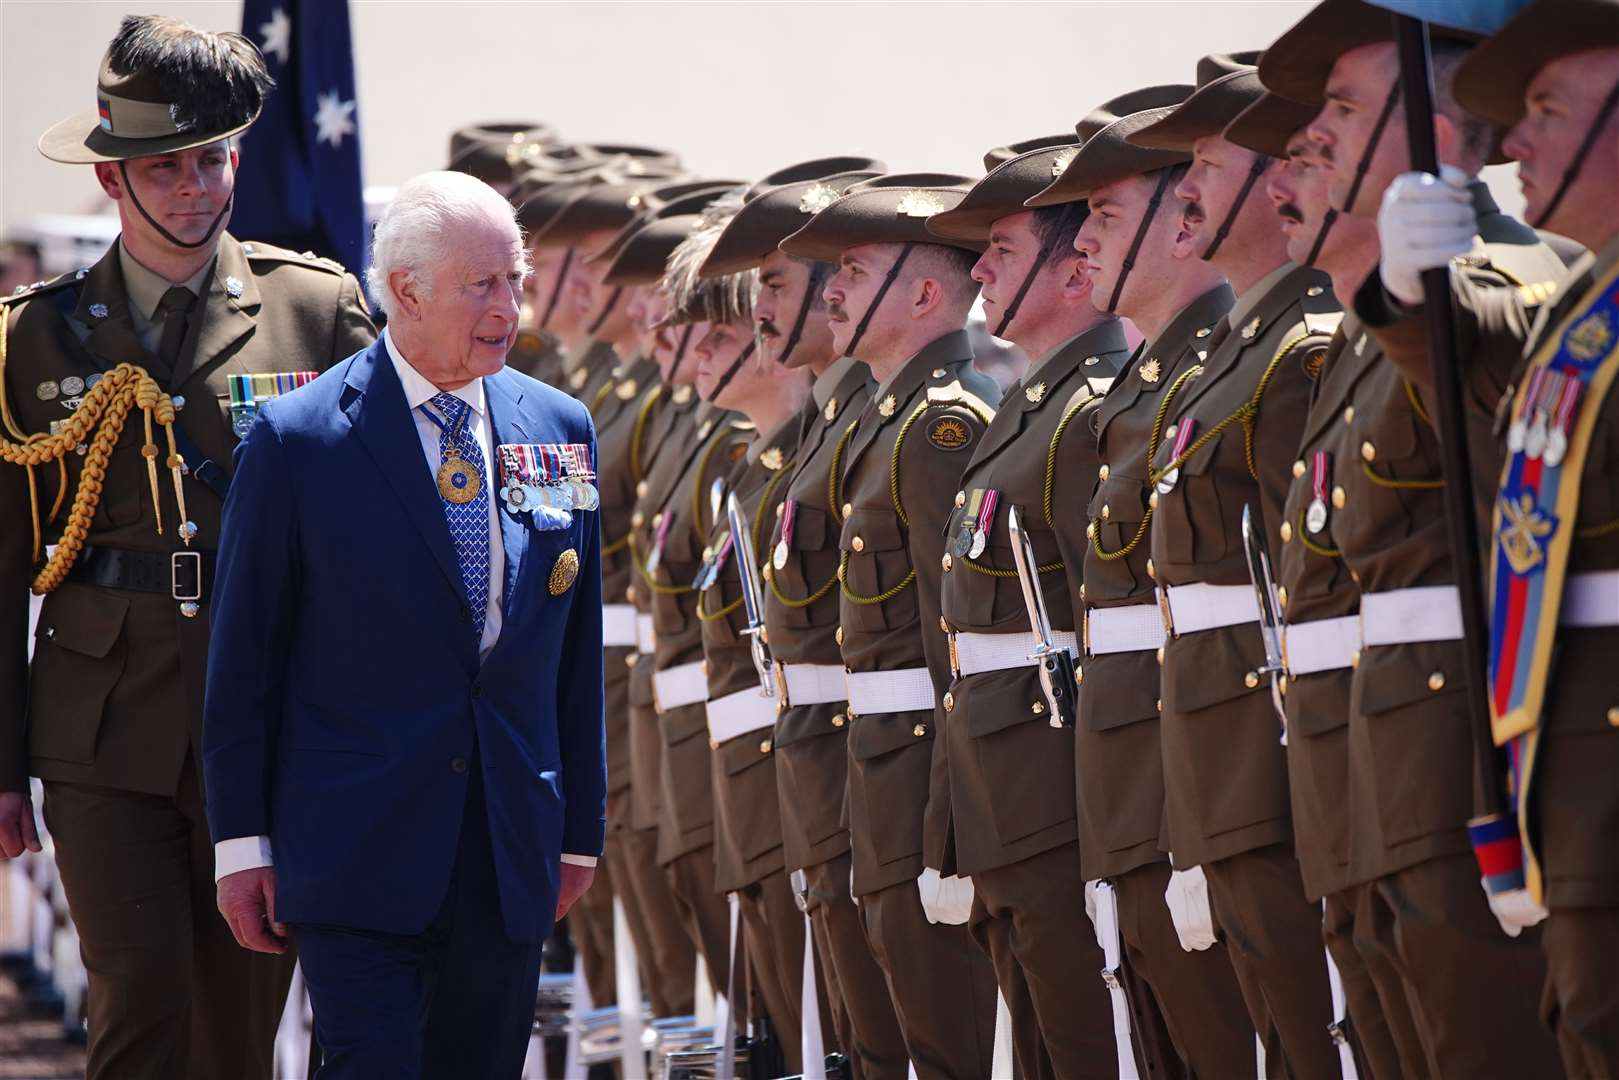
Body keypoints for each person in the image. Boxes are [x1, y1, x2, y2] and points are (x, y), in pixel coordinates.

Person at [0, 16, 374, 1078]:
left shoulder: (317, 310)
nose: (194, 188)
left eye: (211, 160)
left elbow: (369, 541)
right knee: (139, 1001)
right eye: (164, 168)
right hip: (100, 724)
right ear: (115, 179)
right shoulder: (30, 338)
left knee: (236, 1028)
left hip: (266, 730)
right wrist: (0, 764)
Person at [201, 171, 605, 1078]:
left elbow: (572, 655)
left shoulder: (560, 424)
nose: (508, 306)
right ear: (408, 289)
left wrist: (578, 830)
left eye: (515, 280)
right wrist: (242, 845)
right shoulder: (296, 438)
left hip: (507, 850)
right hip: (353, 851)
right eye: (482, 285)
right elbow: (245, 666)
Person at [1260, 1, 1569, 1073]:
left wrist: (1407, 288)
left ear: (1437, 132)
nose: (1321, 138)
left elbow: (1491, 367)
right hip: (1374, 757)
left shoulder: (1509, 281)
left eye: (1344, 108)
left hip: (1462, 759)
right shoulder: (1370, 318)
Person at [1352, 0, 1619, 1071]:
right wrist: (1408, 285)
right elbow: (1469, 347)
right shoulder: (1580, 300)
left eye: (1547, 109)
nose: (1512, 144)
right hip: (1564, 770)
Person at [1128, 53, 1345, 1076]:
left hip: (1271, 747)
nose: (1187, 195)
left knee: (1319, 1033)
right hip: (1213, 749)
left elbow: (1307, 586)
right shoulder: (1229, 356)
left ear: (1272, 182)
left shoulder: (1298, 349)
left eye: (1205, 169)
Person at [1224, 88, 1427, 1080]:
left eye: (1313, 154)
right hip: (1334, 745)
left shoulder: (1362, 333)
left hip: (1416, 744)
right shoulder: (1342, 342)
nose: (1287, 185)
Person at [781, 173, 1002, 1079]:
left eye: (855, 270)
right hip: (870, 767)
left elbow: (954, 642)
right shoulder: (881, 419)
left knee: (942, 1047)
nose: (828, 290)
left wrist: (947, 823)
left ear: (921, 293)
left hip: (916, 779)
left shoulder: (938, 427)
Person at [921, 141, 1130, 1078]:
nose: (980, 271)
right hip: (1002, 793)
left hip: (1058, 798)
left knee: (1088, 1045)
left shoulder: (1086, 409)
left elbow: (1110, 631)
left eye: (1003, 249)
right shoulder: (1028, 407)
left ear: (1074, 266)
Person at [701, 159, 914, 1079]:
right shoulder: (823, 435)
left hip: (884, 778)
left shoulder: (907, 427)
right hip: (810, 770)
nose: (749, 318)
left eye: (775, 286)